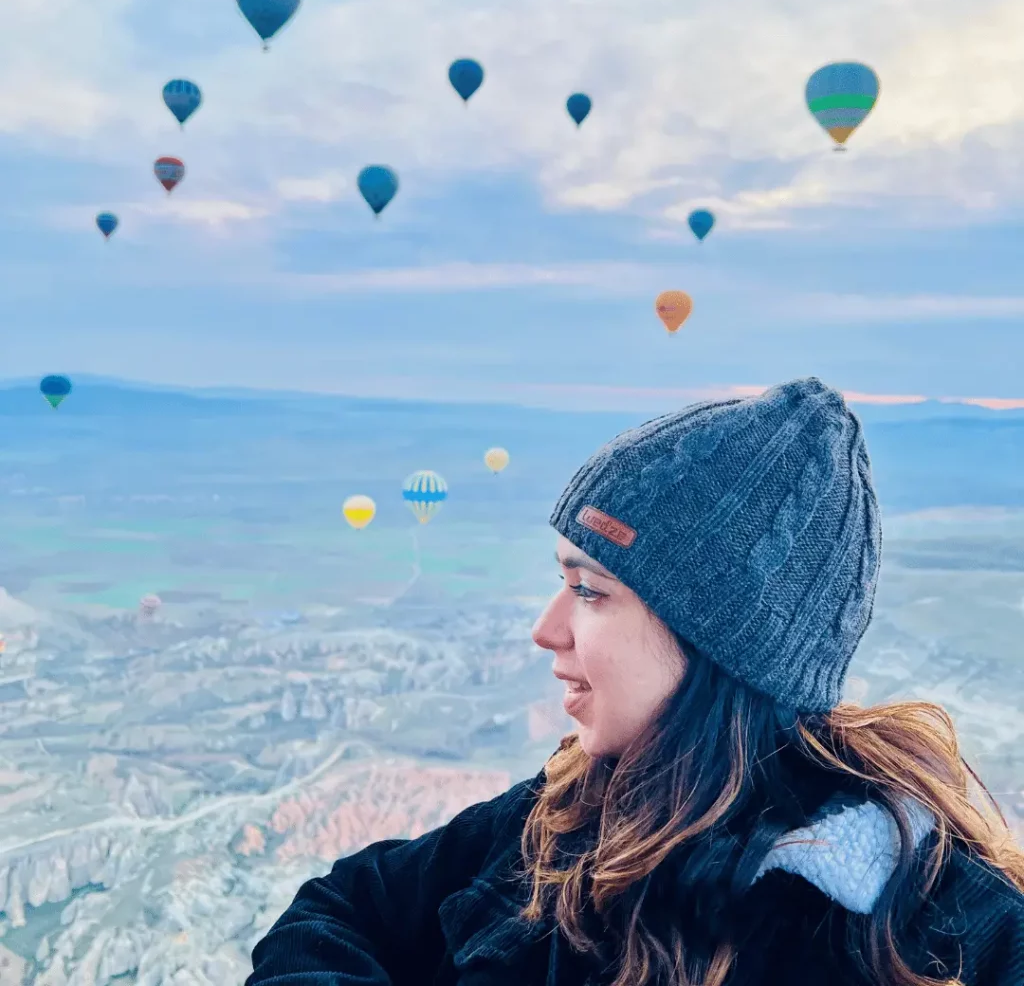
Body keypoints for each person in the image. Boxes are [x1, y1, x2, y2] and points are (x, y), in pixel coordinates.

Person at [245, 377, 1024, 986]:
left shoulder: (945, 930)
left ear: (719, 642)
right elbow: (341, 909)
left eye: (590, 591)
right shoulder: (568, 813)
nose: (546, 629)